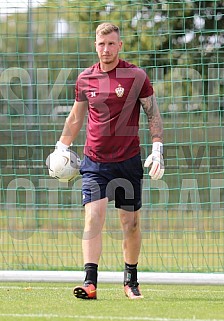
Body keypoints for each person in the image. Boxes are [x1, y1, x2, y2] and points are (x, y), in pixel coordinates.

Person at [54, 22, 164, 299]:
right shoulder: (84, 78)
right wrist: (60, 147)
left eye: (111, 44)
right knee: (93, 217)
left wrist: (158, 147)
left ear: (120, 45)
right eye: (101, 44)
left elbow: (152, 113)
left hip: (128, 161)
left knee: (131, 224)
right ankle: (90, 283)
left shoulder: (136, 76)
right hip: (95, 163)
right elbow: (77, 117)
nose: (106, 49)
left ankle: (131, 281)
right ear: (95, 45)